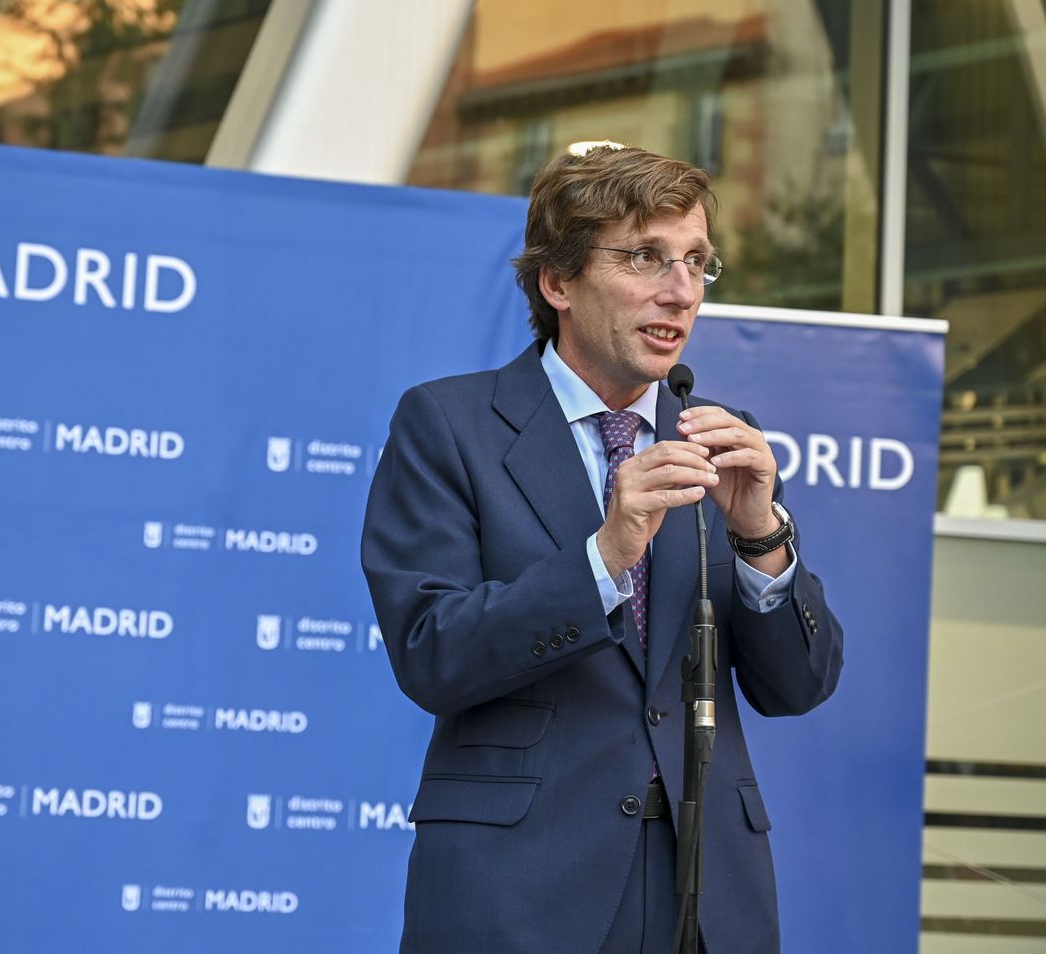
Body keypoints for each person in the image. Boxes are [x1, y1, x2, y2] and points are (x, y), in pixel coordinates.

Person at [361, 145, 843, 954]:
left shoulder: (717, 437)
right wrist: (604, 557)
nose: (681, 290)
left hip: (707, 893)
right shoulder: (449, 426)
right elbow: (431, 653)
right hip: (520, 892)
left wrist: (761, 535)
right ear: (558, 281)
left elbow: (797, 684)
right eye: (646, 257)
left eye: (696, 261)